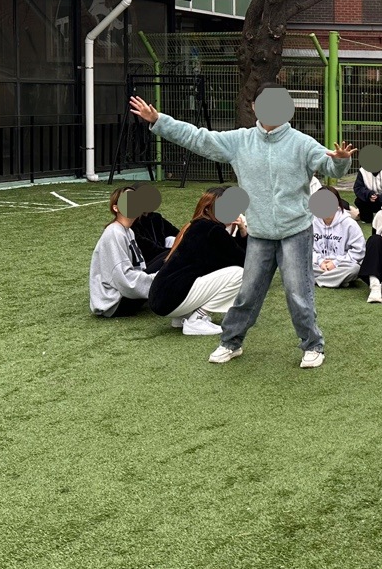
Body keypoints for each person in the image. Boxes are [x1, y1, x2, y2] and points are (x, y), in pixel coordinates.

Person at [129, 84, 355, 369]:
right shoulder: (240, 141)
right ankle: (231, 342)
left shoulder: (301, 143)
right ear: (255, 107)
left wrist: (342, 162)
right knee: (248, 293)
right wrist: (159, 121)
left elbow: (329, 165)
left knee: (298, 293)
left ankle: (312, 345)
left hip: (295, 231)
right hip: (259, 232)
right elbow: (198, 138)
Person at [147, 187, 247, 335]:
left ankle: (184, 316)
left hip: (163, 296)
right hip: (170, 298)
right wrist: (243, 232)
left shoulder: (199, 225)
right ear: (208, 209)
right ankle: (197, 319)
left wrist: (239, 231)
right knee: (240, 274)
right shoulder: (213, 230)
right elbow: (244, 262)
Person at [89, 186, 157, 318]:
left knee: (170, 257)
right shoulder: (115, 233)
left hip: (123, 293)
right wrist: (158, 280)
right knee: (170, 261)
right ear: (116, 208)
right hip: (115, 302)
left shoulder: (128, 231)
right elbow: (123, 279)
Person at [312, 185, 366, 289]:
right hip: (318, 265)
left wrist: (336, 263)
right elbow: (305, 249)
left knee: (355, 269)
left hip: (342, 265)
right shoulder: (311, 223)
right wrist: (320, 261)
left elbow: (359, 251)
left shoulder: (349, 223)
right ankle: (337, 280)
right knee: (298, 265)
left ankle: (315, 279)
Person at [354, 159, 382, 226]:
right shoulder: (362, 170)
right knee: (359, 201)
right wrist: (369, 195)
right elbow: (358, 188)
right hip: (369, 200)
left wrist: (380, 197)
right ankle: (366, 218)